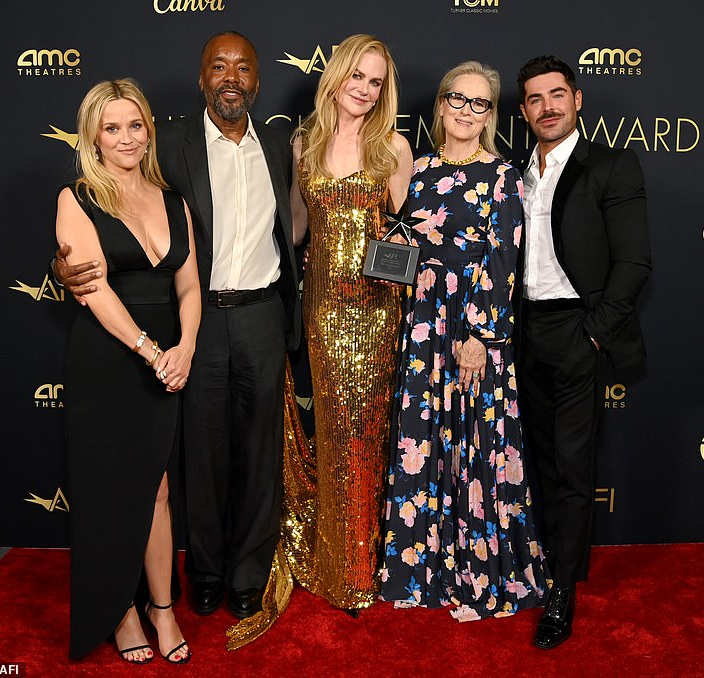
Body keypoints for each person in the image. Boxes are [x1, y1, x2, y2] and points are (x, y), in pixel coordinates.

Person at [55, 32, 301, 625]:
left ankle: (248, 575)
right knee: (202, 456)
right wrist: (61, 265)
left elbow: (298, 222)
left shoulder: (277, 143)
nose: (231, 77)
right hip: (199, 322)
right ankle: (208, 574)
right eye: (218, 66)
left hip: (264, 314)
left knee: (259, 454)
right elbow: (107, 208)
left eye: (243, 67)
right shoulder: (169, 143)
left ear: (258, 80)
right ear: (200, 79)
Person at [225, 34, 411, 647]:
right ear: (335, 77)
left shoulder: (394, 148)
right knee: (332, 432)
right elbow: (296, 230)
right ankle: (336, 555)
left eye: (376, 81)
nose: (364, 88)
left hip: (380, 314)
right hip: (324, 313)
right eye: (356, 75)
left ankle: (362, 568)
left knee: (368, 435)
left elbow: (408, 238)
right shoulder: (302, 145)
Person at [378, 61, 551, 621]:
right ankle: (421, 569)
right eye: (457, 98)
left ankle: (476, 569)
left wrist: (479, 333)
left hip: (474, 332)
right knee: (423, 440)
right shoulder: (418, 169)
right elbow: (397, 241)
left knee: (475, 444)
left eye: (479, 103)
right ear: (441, 104)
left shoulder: (503, 176)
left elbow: (502, 258)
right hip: (422, 325)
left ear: (491, 114)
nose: (465, 111)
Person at [57, 78, 199, 663]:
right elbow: (93, 291)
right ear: (93, 134)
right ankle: (118, 610)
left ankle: (161, 608)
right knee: (107, 491)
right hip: (110, 359)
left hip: (168, 359)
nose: (125, 138)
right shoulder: (77, 197)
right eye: (111, 127)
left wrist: (186, 345)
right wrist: (151, 350)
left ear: (149, 128)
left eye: (134, 125)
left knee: (158, 490)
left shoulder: (174, 201)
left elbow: (189, 284)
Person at [515, 55, 651, 649]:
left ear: (577, 98)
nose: (547, 107)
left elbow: (634, 263)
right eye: (535, 99)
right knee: (541, 463)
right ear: (523, 111)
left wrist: (594, 332)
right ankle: (553, 564)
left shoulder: (610, 165)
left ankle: (562, 592)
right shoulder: (514, 173)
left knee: (573, 468)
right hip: (521, 331)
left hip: (576, 329)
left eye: (556, 95)